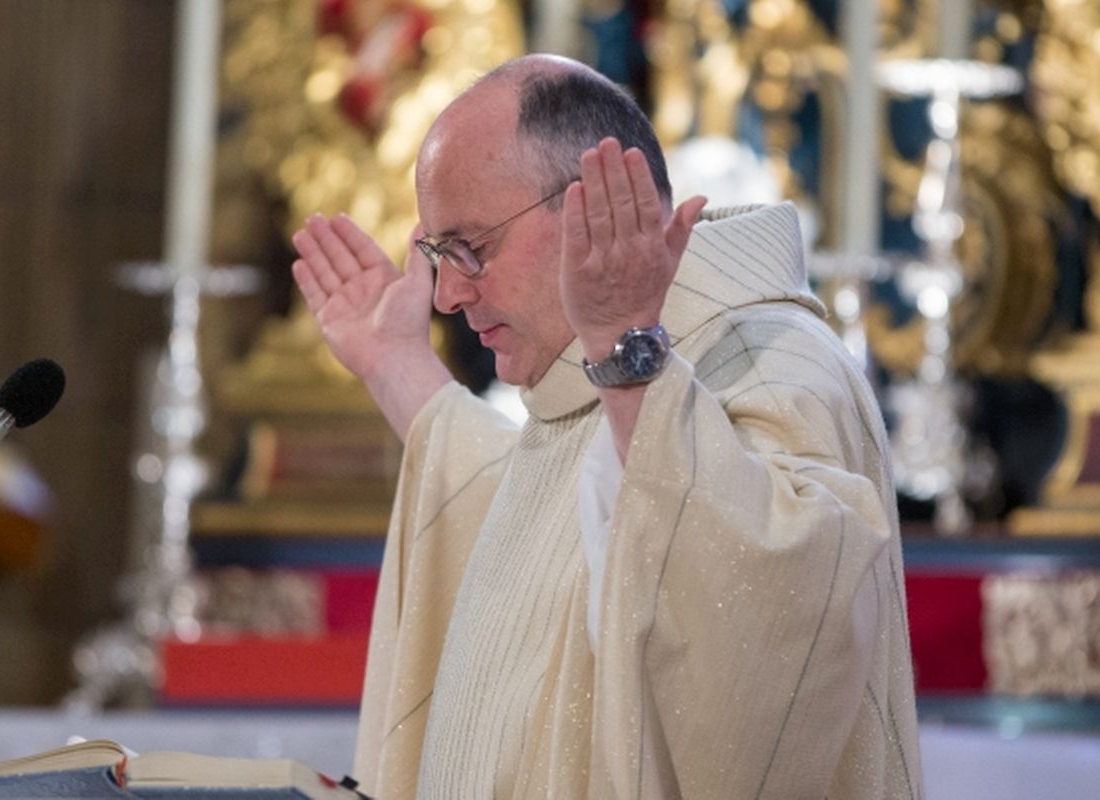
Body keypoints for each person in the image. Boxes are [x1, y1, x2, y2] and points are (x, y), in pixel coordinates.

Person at [292, 53, 923, 799]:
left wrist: (630, 354)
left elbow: (769, 640)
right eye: (438, 254)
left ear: (594, 202)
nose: (449, 295)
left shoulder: (772, 363)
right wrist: (396, 364)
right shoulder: (599, 379)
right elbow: (537, 547)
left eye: (471, 248)